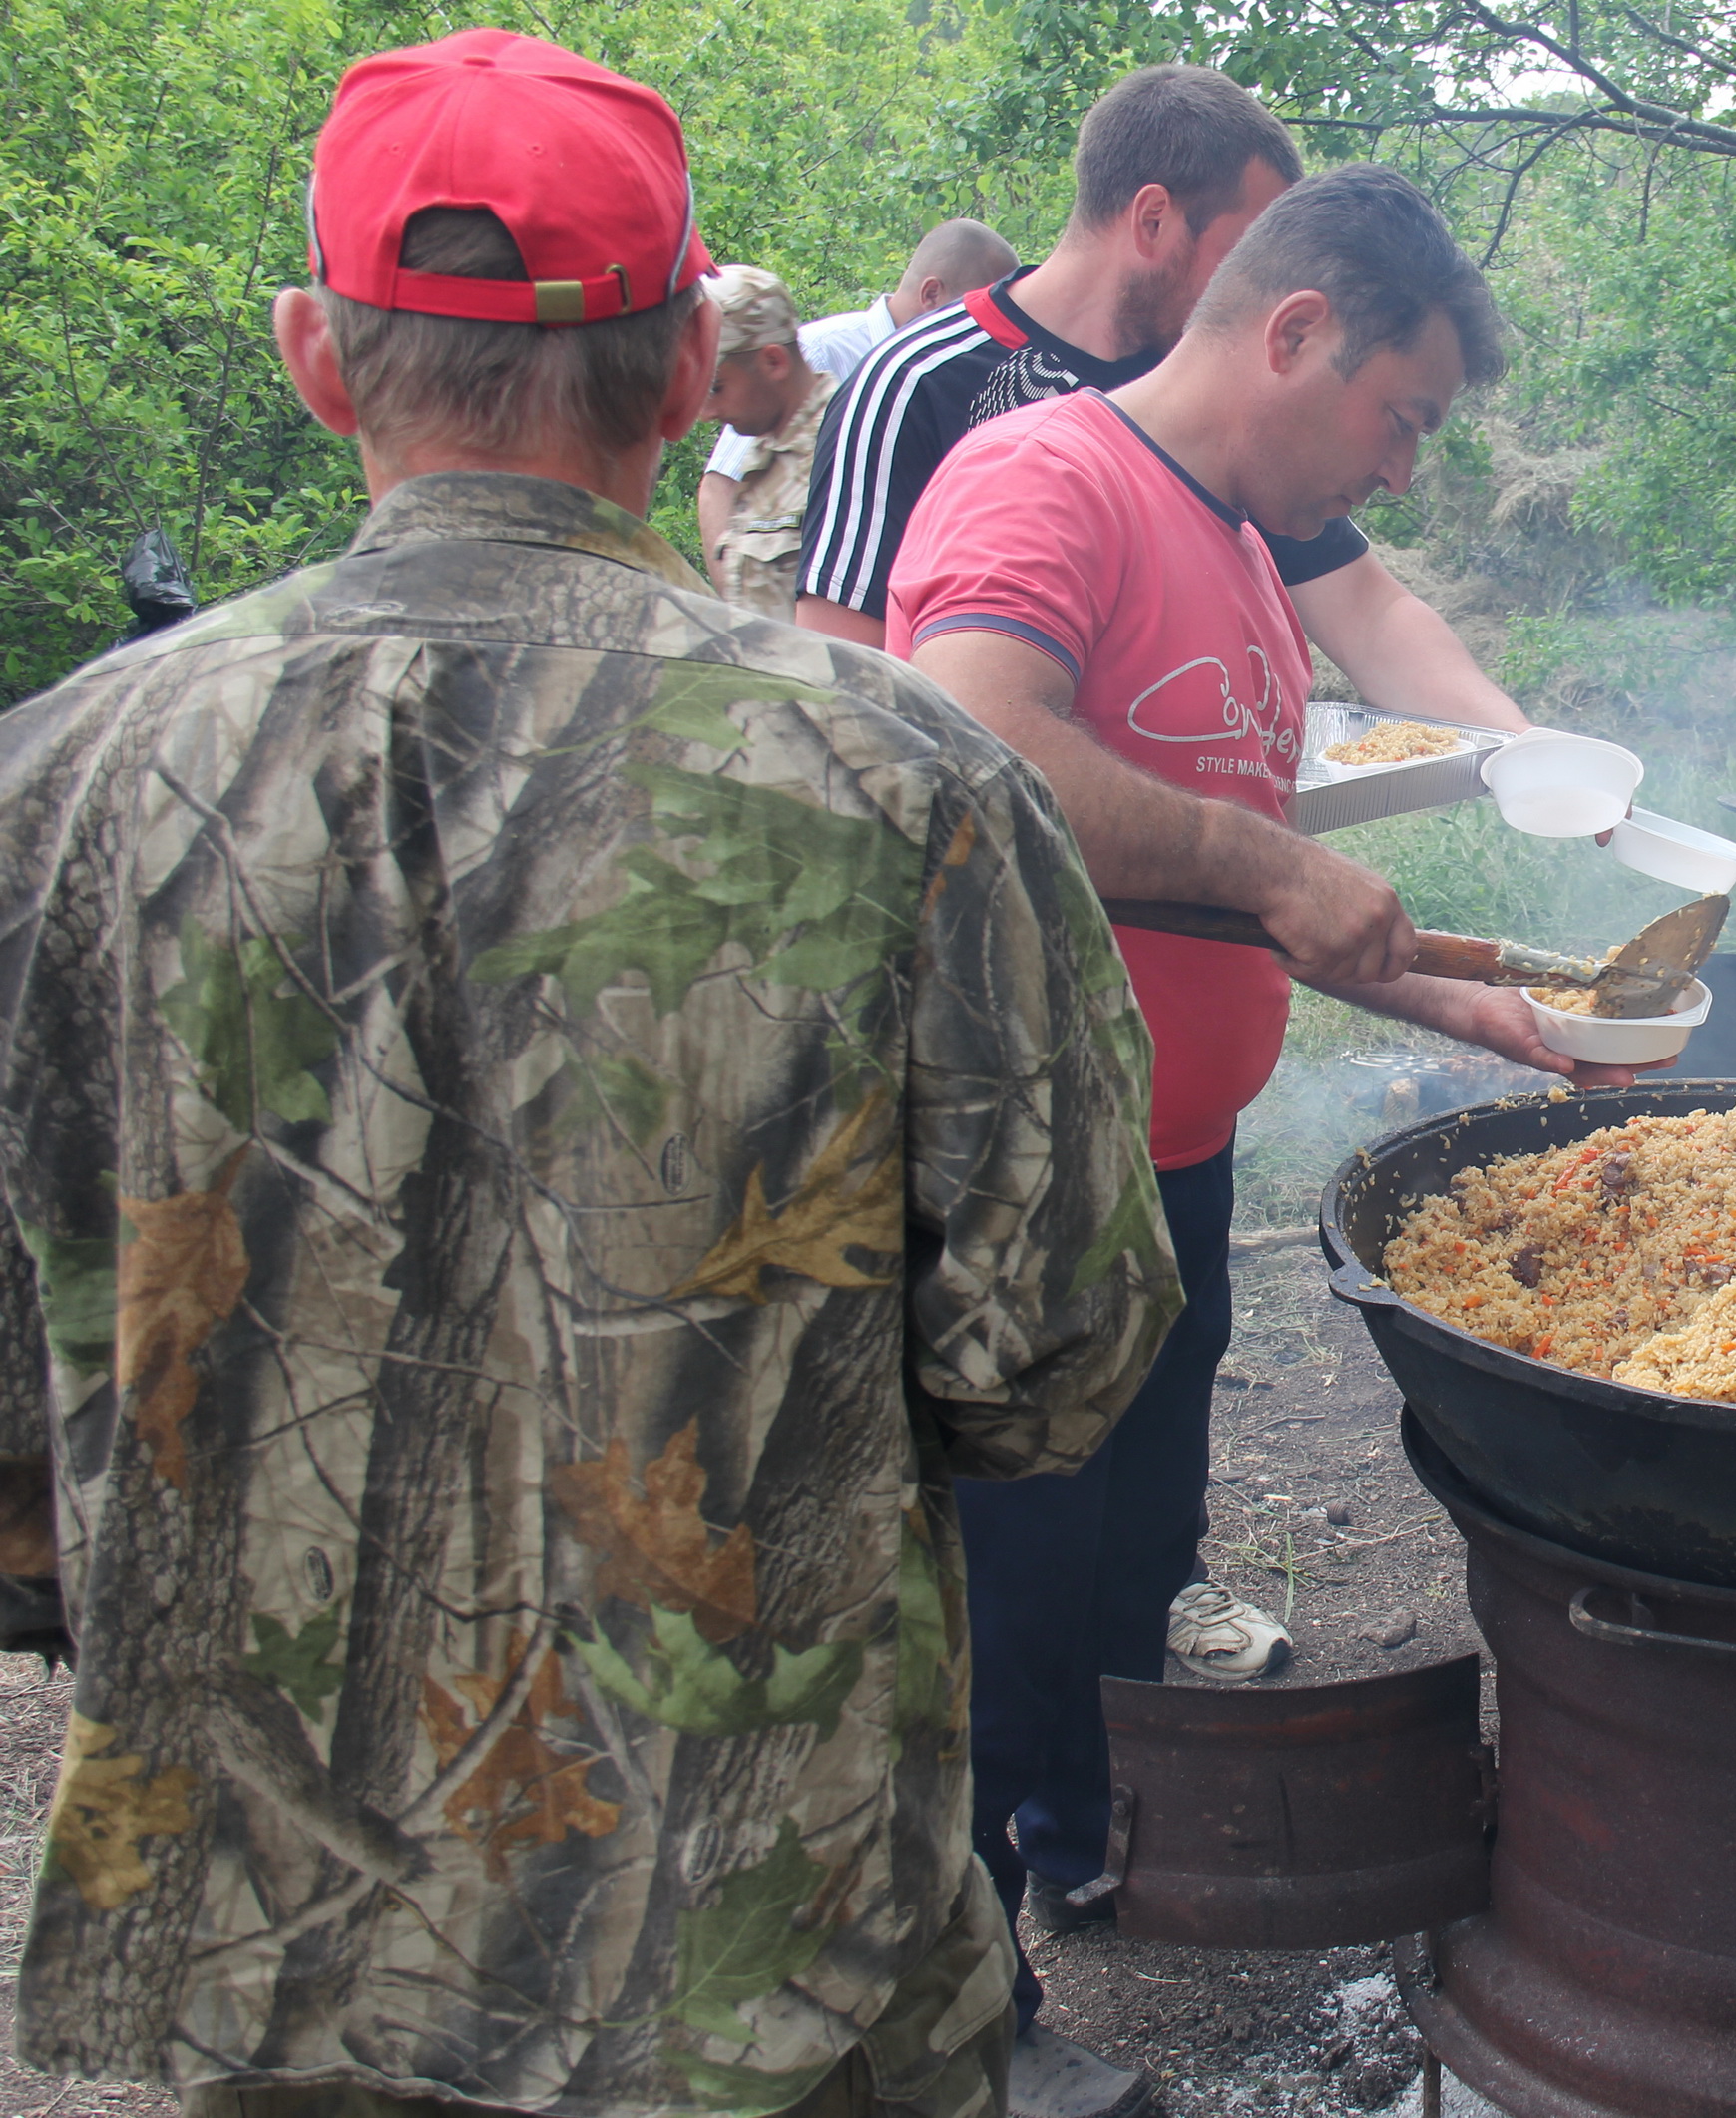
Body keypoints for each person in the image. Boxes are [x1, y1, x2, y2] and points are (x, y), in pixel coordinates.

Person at [0, 29, 1181, 2118]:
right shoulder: (902, 781)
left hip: (282, 1960)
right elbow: (1059, 1358)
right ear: (683, 369)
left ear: (312, 359)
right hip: (769, 1959)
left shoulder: (62, 785)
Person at [886, 158, 1647, 2051]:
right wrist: (1268, 854)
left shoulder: (1232, 537)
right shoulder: (1047, 473)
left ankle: (1091, 1848)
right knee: (1002, 1607)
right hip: (1019, 1180)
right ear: (1295, 331)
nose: (1403, 468)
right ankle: (966, 2021)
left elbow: (1218, 884)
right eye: (1403, 417)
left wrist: (1453, 997)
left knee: (1132, 1563)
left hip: (1166, 1157)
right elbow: (972, 741)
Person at [796, 67, 1525, 737]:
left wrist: (1530, 751)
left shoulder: (1221, 404)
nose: (1269, 283)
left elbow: (1370, 614)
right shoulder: (919, 382)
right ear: (1153, 220)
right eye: (1250, 250)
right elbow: (847, 685)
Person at [696, 219, 1015, 557]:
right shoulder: (819, 353)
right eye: (980, 313)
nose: (986, 333)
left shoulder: (962, 379)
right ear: (931, 295)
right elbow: (721, 485)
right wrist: (730, 592)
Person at [701, 266, 838, 617]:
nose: (706, 413)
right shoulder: (767, 450)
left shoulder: (843, 450)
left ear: (774, 362)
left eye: (716, 388)